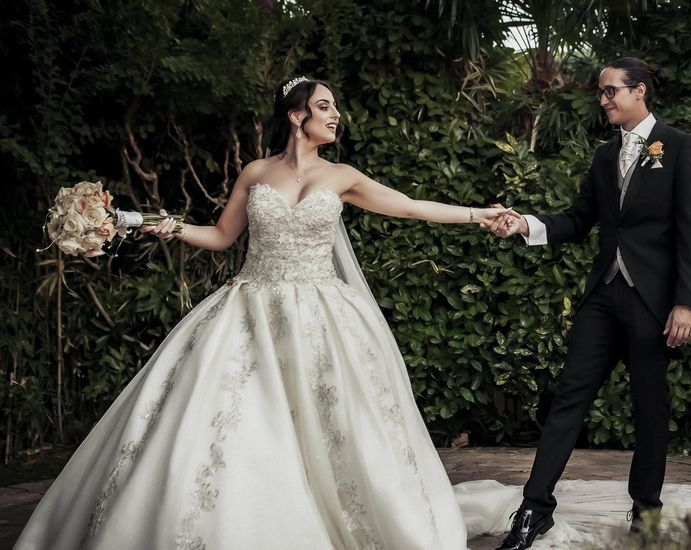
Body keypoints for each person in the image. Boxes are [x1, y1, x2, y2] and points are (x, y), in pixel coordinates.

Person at [14, 76, 518, 550]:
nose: (336, 115)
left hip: (323, 315)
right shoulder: (256, 172)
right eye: (325, 106)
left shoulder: (342, 176)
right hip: (249, 307)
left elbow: (409, 205)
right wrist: (164, 225)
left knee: (335, 426)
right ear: (296, 116)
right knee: (234, 422)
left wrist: (480, 215)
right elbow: (219, 237)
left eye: (335, 108)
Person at [490, 57, 691, 550]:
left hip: (654, 304)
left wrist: (687, 303)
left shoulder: (679, 149)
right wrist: (525, 224)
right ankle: (534, 509)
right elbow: (577, 219)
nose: (604, 99)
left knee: (649, 407)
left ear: (640, 91)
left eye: (612, 90)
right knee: (570, 397)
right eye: (602, 93)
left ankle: (647, 512)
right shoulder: (601, 158)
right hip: (603, 298)